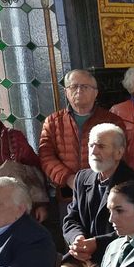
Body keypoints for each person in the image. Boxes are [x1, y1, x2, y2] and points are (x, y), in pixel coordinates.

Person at [58, 123, 134, 267]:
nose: (94, 151)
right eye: (91, 145)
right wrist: (77, 239)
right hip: (81, 257)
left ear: (119, 153)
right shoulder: (82, 178)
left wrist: (96, 244)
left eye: (101, 146)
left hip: (113, 259)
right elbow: (71, 218)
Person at [39, 69, 125, 200]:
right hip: (67, 191)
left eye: (85, 87)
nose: (79, 91)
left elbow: (121, 153)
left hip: (104, 189)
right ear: (66, 92)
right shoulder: (52, 122)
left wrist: (101, 179)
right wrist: (69, 179)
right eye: (73, 86)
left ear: (96, 93)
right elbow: (46, 156)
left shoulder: (112, 121)